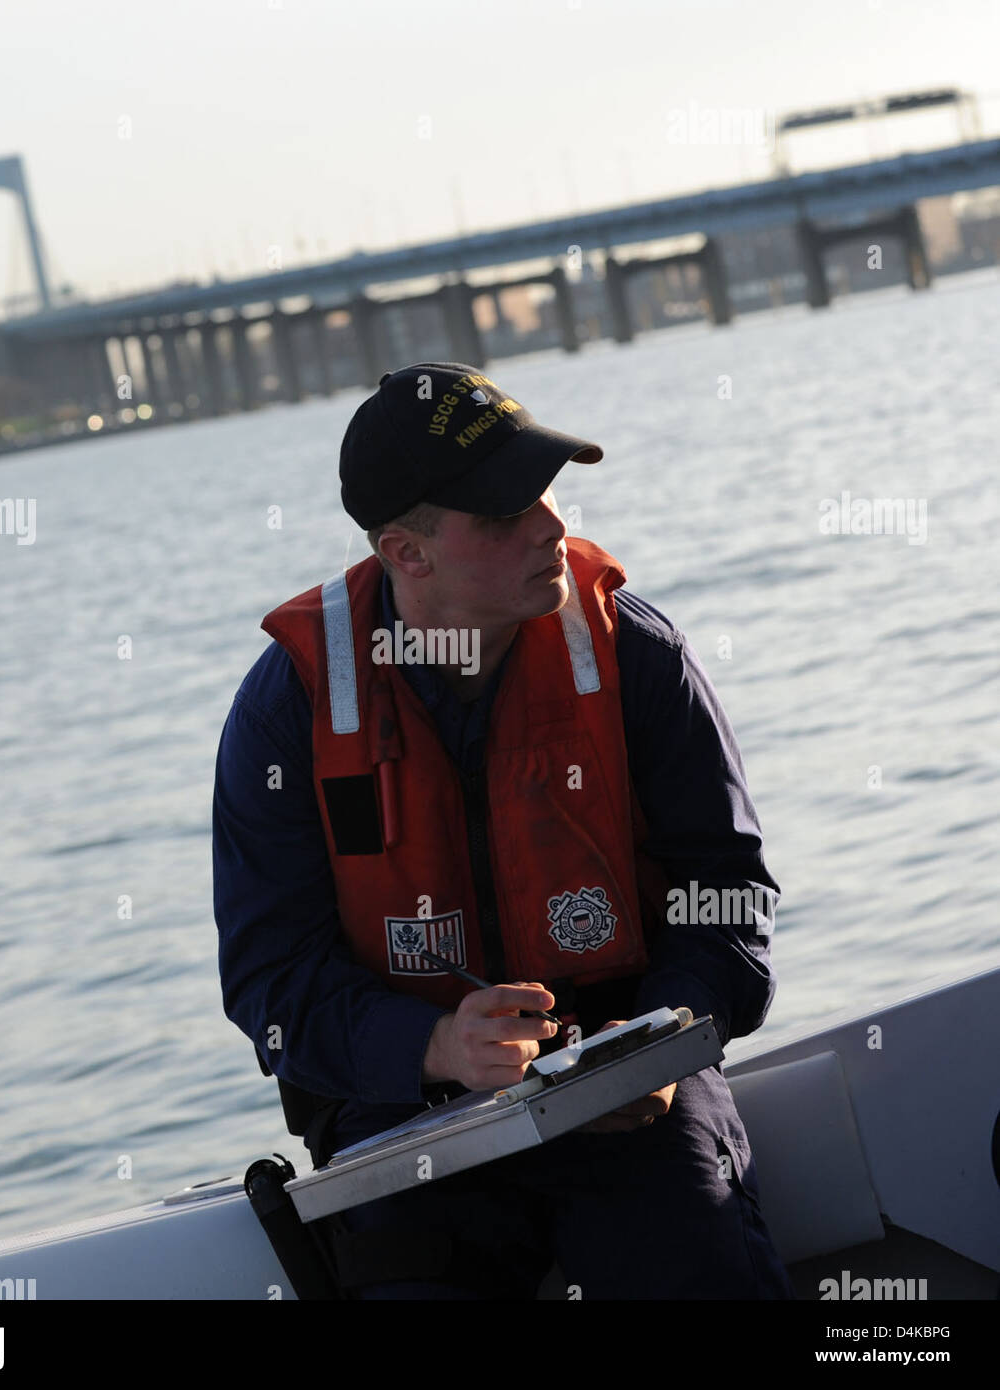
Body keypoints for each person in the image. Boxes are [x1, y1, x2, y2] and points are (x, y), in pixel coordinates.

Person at [213, 361, 796, 1299]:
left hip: (637, 1097)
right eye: (503, 514)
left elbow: (729, 897)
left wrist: (652, 1048)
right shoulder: (290, 710)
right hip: (404, 1120)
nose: (552, 526)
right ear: (407, 553)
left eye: (547, 489)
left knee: (695, 1266)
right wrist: (435, 1047)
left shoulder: (636, 654)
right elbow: (269, 982)